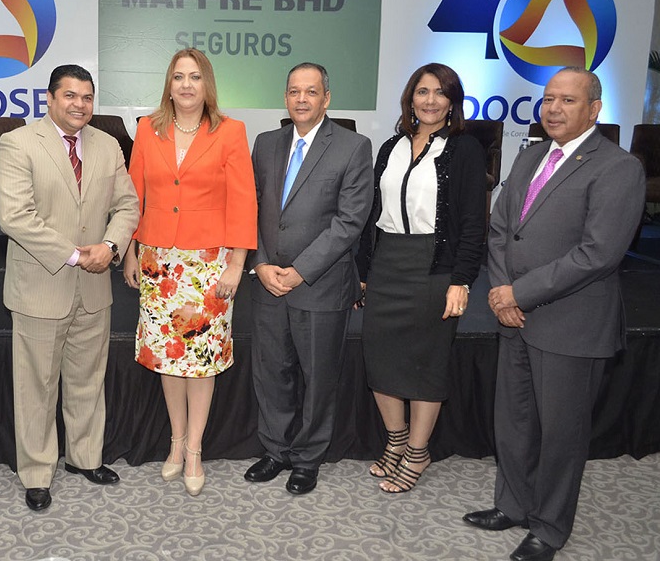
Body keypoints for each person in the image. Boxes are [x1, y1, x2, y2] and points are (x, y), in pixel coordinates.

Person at [463, 67, 645, 561]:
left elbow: (598, 254)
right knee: (515, 421)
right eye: (548, 100)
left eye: (567, 100)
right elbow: (500, 226)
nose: (554, 109)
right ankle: (514, 505)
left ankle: (549, 526)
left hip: (570, 322)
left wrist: (517, 293)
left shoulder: (617, 167)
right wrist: (501, 288)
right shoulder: (529, 156)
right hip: (513, 313)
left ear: (594, 109)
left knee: (561, 434)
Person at [0, 64, 139, 512]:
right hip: (42, 286)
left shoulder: (108, 144)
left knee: (87, 380)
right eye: (70, 96)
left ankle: (84, 457)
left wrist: (112, 245)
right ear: (50, 98)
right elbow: (15, 218)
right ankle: (37, 473)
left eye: (87, 97)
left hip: (95, 288)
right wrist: (79, 254)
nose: (80, 105)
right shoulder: (17, 143)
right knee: (36, 386)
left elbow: (128, 205)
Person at [122, 48, 257, 496]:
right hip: (158, 261)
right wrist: (128, 251)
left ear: (207, 84)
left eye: (194, 77)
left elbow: (243, 201)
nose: (185, 85)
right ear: (169, 83)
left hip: (208, 264)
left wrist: (237, 262)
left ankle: (196, 448)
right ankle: (175, 442)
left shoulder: (231, 132)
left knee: (199, 360)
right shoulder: (147, 129)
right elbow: (133, 196)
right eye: (178, 76)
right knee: (168, 356)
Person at [358, 63, 487, 493]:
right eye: (422, 91)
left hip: (435, 265)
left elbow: (473, 223)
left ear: (453, 101)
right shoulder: (390, 147)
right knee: (380, 356)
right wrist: (363, 271)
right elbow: (371, 217)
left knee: (426, 361)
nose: (429, 100)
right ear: (410, 98)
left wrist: (461, 280)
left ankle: (418, 451)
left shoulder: (465, 149)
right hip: (387, 262)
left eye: (440, 92)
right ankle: (396, 440)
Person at [245, 62, 373, 495]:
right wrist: (260, 264)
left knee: (318, 378)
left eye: (311, 91)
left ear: (327, 98)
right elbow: (253, 210)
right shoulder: (265, 144)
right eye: (294, 91)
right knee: (272, 372)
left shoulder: (354, 147)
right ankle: (275, 451)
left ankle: (307, 457)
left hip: (319, 284)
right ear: (285, 98)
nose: (302, 99)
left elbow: (350, 221)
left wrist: (299, 271)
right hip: (267, 283)